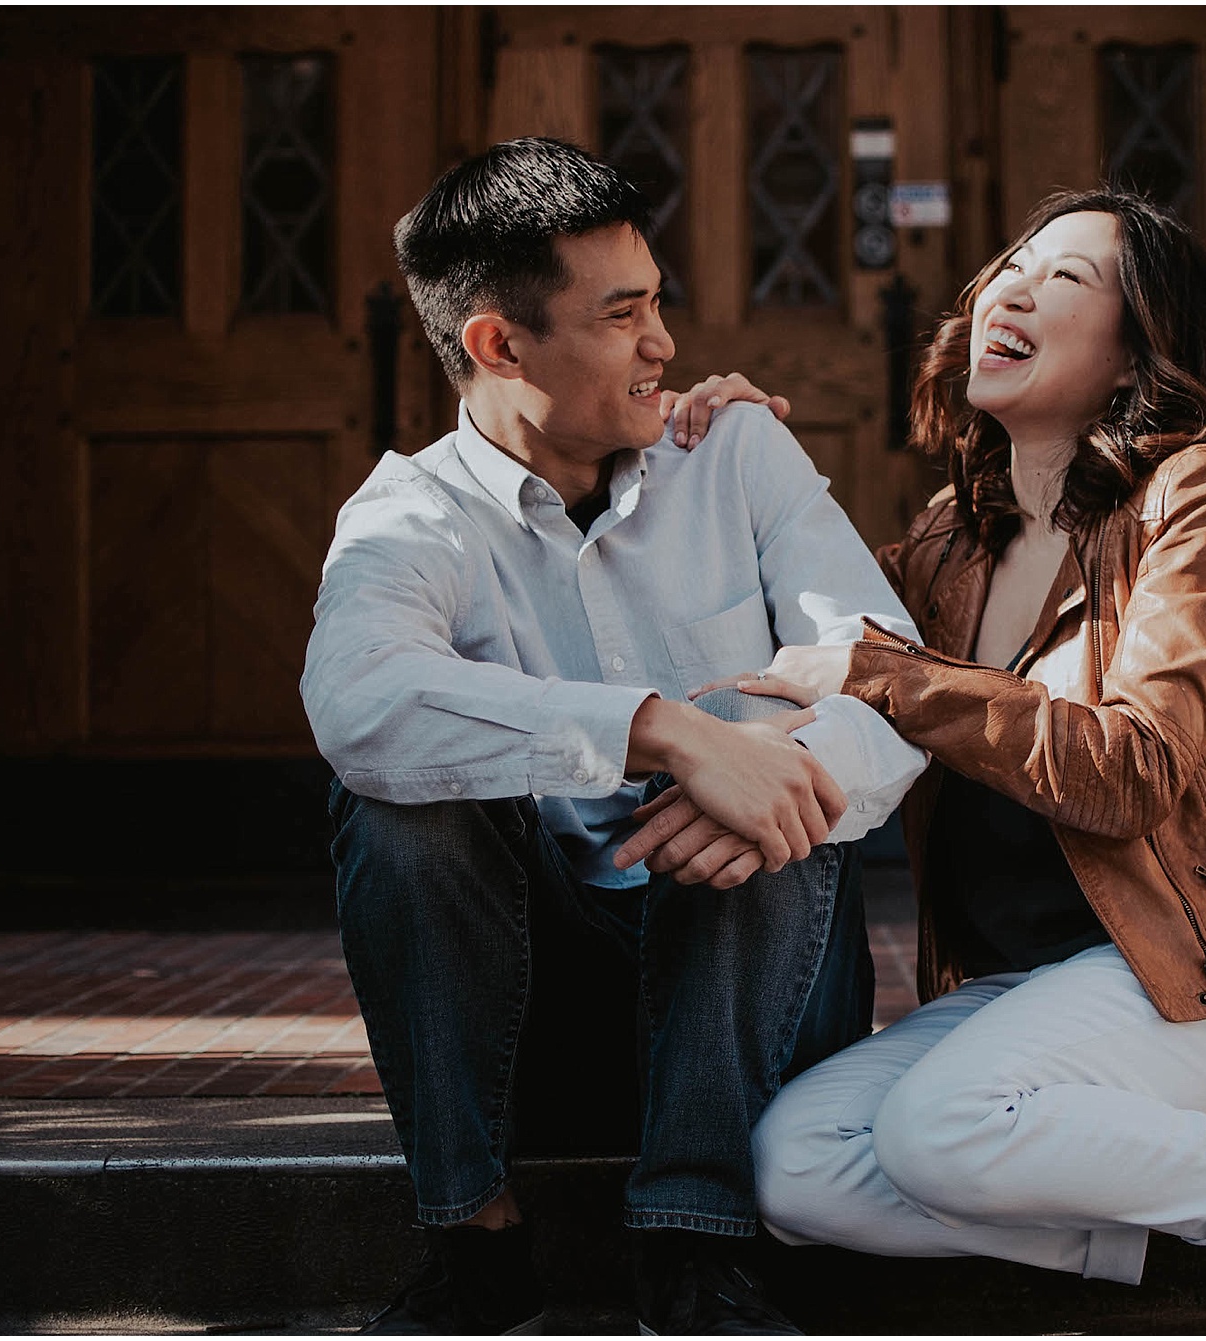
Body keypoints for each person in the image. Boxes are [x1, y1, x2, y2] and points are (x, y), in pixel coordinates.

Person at [632, 190, 1206, 1334]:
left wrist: (889, 677)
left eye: (1066, 278)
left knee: (936, 1130)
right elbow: (798, 633)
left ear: (1137, 352)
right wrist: (726, 452)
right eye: (1009, 268)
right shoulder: (950, 538)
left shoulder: (1189, 498)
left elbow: (1130, 772)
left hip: (1182, 981)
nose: (1010, 291)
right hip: (1011, 996)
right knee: (794, 1168)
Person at [300, 137, 926, 1335]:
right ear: (499, 345)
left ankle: (697, 1254)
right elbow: (358, 703)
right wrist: (663, 732)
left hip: (761, 1002)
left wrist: (775, 769)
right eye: (622, 315)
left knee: (773, 763)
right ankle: (474, 1248)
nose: (664, 346)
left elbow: (888, 674)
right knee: (396, 799)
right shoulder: (409, 514)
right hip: (537, 1021)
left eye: (657, 305)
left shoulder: (731, 451)